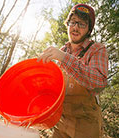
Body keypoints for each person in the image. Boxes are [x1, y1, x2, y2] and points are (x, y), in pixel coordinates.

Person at [37, 3, 108, 138]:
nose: (75, 27)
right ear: (67, 24)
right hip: (61, 121)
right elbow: (55, 86)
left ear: (88, 30)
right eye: (73, 22)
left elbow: (99, 83)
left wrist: (64, 58)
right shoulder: (62, 50)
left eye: (82, 24)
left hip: (86, 122)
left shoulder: (97, 49)